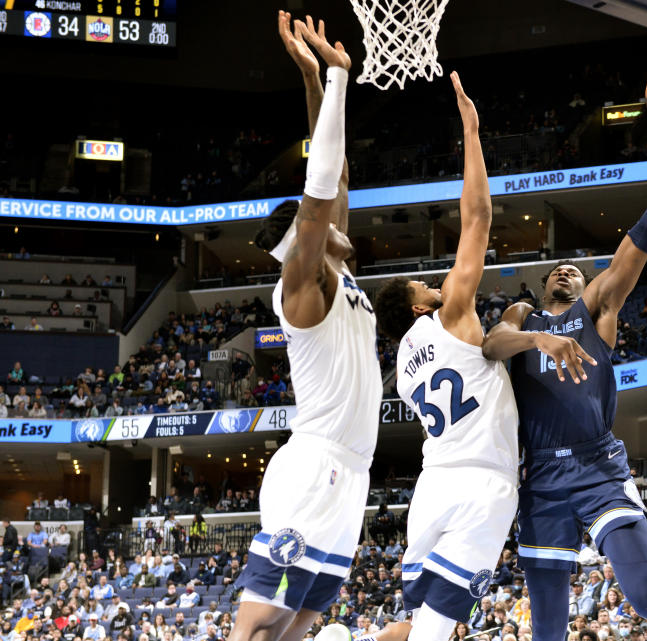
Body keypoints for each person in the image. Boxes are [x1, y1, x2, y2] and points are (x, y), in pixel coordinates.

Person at [480, 82, 647, 641]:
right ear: (541, 286)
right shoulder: (522, 317)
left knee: (645, 595)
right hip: (540, 476)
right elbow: (492, 345)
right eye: (556, 268)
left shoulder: (598, 308)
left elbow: (645, 235)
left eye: (575, 268)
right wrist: (539, 341)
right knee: (548, 629)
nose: (565, 269)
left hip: (598, 467)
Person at [229, 14, 382, 641]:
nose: (338, 213)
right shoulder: (304, 289)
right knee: (262, 627)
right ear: (302, 241)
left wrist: (315, 81)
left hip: (350, 474)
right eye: (317, 223)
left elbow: (335, 171)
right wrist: (342, 79)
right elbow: (319, 191)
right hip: (315, 467)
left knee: (303, 627)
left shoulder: (337, 275)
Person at [370, 71, 519, 640]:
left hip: (432, 487)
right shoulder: (451, 314)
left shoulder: (403, 373)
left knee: (418, 621)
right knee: (435, 630)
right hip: (481, 484)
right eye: (420, 287)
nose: (431, 285)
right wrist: (473, 132)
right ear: (414, 309)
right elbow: (477, 219)